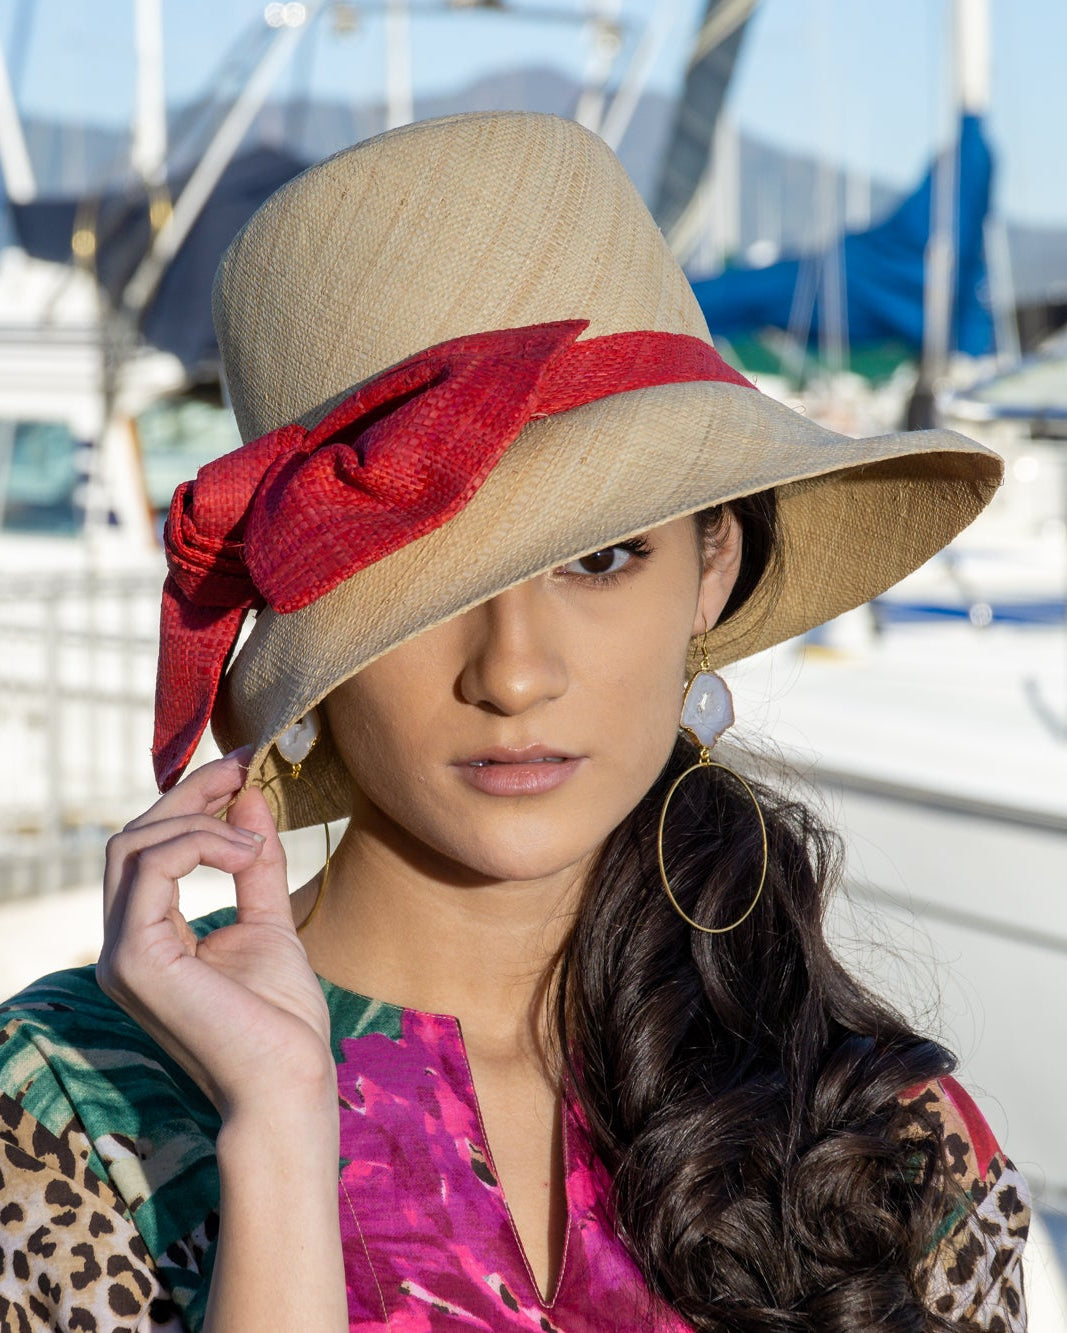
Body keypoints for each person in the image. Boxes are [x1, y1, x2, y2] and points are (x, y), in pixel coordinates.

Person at [0, 112, 1029, 1332]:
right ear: (313, 624)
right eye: (418, 580)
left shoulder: (883, 1135)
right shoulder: (79, 1108)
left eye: (599, 557)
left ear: (710, 569)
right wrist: (278, 1136)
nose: (515, 670)